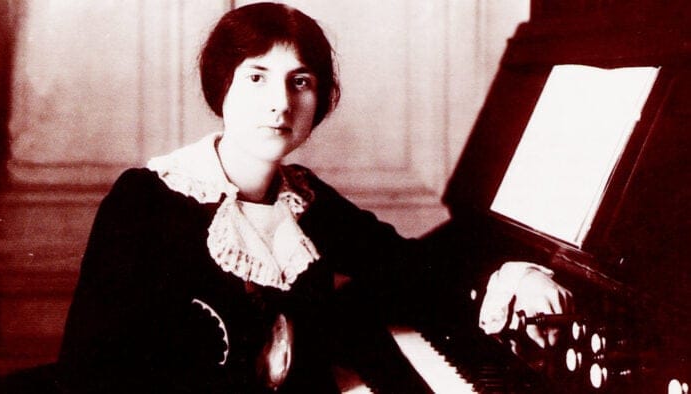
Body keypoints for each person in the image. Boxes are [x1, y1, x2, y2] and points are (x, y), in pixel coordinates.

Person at [56, 2, 571, 393]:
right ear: (223, 87)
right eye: (256, 78)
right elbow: (93, 371)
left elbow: (409, 265)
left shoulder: (303, 199)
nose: (279, 104)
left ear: (319, 99)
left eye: (299, 82)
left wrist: (511, 272)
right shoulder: (146, 199)